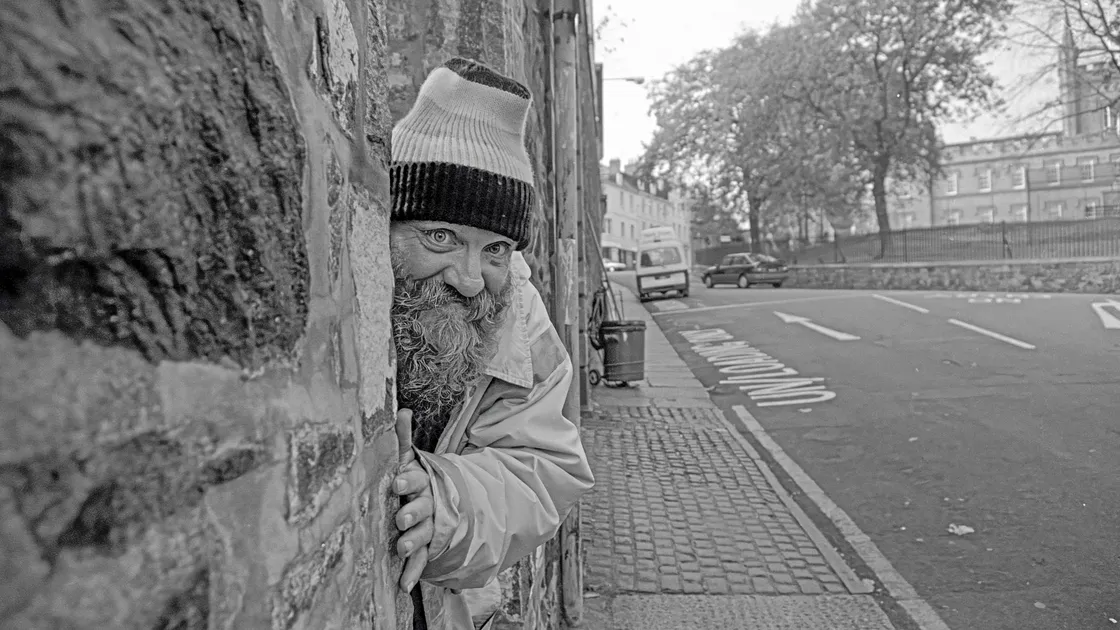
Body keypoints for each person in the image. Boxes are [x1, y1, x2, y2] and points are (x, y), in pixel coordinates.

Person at [386, 57, 595, 630]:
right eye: (441, 236)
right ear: (387, 222)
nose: (471, 277)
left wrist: (447, 505)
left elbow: (546, 468)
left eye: (496, 248)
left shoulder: (520, 319)